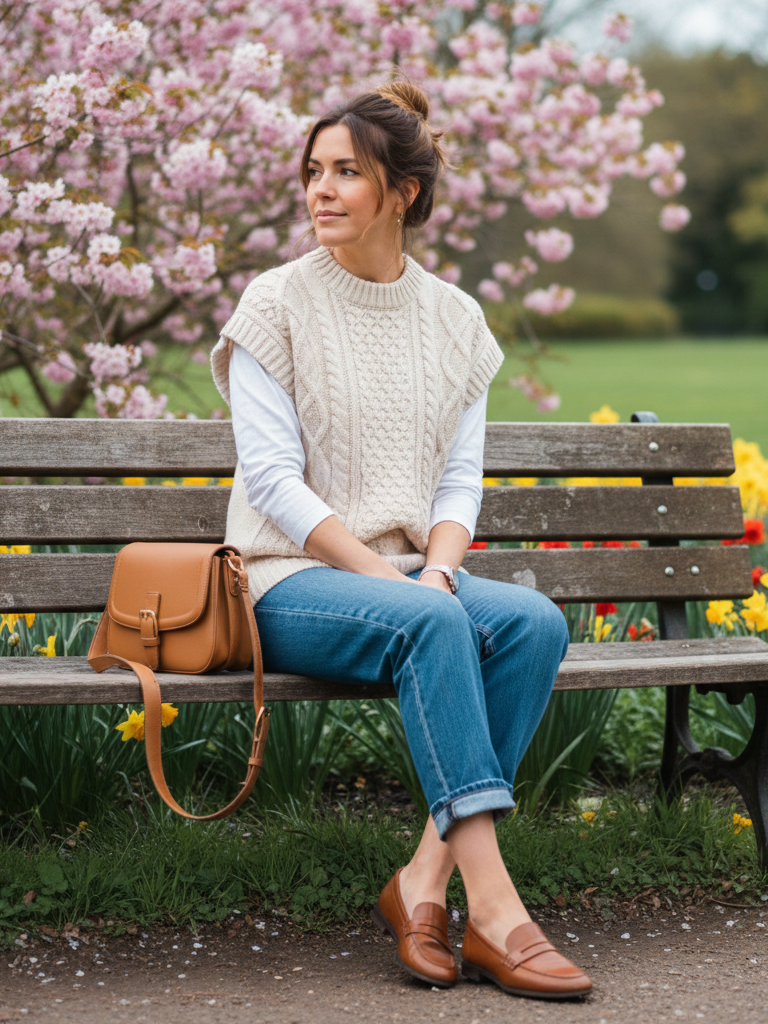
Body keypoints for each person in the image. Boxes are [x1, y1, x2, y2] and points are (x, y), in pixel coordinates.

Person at [211, 79, 591, 1001]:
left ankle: (423, 880)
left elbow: (460, 479)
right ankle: (498, 913)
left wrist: (443, 569)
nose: (321, 191)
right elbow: (271, 481)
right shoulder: (277, 303)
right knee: (433, 624)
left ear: (403, 191)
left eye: (347, 172)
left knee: (534, 622)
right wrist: (397, 579)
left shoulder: (456, 320)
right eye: (313, 172)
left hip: (413, 575)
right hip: (286, 580)